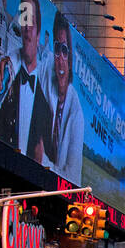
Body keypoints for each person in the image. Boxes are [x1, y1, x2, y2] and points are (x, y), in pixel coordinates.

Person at [0, 0, 53, 161]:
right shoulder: (7, 71)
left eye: (31, 21)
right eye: (23, 18)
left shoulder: (45, 96)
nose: (26, 27)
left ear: (38, 33)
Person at [45, 11, 85, 183]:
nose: (60, 58)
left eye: (65, 51)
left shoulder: (76, 114)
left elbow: (73, 180)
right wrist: (7, 60)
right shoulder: (45, 75)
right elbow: (25, 54)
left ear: (70, 60)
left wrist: (43, 163)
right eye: (56, 49)